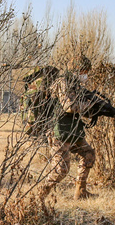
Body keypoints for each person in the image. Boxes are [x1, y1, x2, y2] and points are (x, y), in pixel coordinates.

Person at [38, 54, 98, 201]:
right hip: (58, 130)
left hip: (71, 129)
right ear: (78, 69)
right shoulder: (63, 82)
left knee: (88, 154)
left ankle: (80, 191)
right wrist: (90, 105)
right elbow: (69, 106)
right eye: (84, 72)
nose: (86, 75)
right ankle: (39, 195)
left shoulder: (75, 84)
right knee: (61, 170)